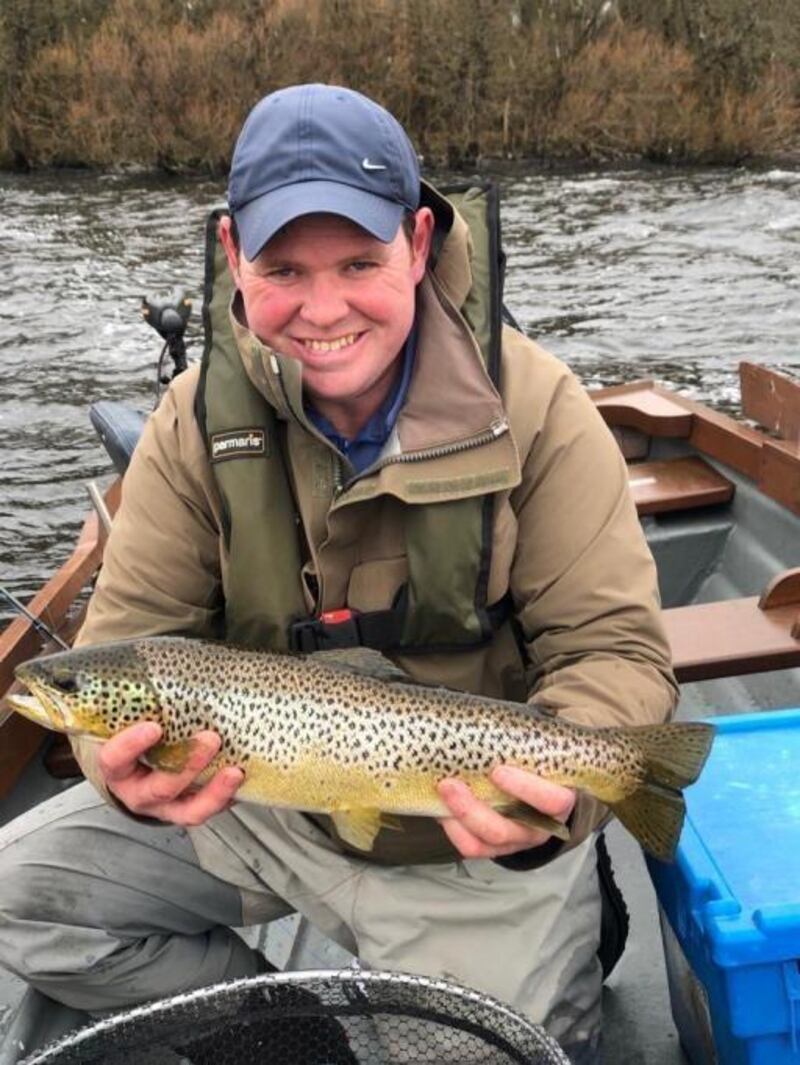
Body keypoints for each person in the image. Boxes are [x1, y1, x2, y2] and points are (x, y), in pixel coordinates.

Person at [0, 84, 677, 1063]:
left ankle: (563, 916)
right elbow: (121, 642)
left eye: (359, 261)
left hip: (463, 830)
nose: (323, 310)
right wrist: (120, 782)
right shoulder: (193, 421)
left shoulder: (538, 404)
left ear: (415, 239)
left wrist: (565, 792)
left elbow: (613, 648)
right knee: (18, 901)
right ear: (234, 256)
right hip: (258, 811)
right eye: (284, 268)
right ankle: (291, 1030)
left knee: (484, 1051)